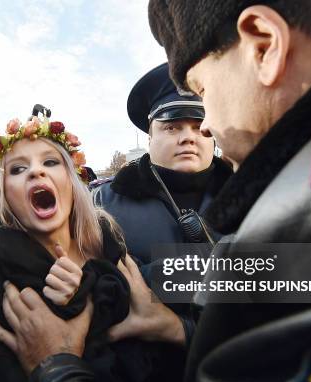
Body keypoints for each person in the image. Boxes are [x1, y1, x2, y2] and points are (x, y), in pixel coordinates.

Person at [0, 1, 311, 382]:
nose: (207, 128)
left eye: (202, 91)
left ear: (264, 46)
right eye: (175, 124)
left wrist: (56, 371)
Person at [0, 116, 179, 382]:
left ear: (72, 178)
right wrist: (57, 365)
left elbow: (250, 279)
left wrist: (177, 327)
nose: (36, 172)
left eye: (50, 162)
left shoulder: (108, 238)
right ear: (5, 195)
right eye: (17, 169)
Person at [93, 62, 231, 274]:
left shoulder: (250, 192)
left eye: (199, 127)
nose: (188, 138)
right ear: (150, 138)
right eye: (172, 127)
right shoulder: (103, 203)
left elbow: (284, 281)